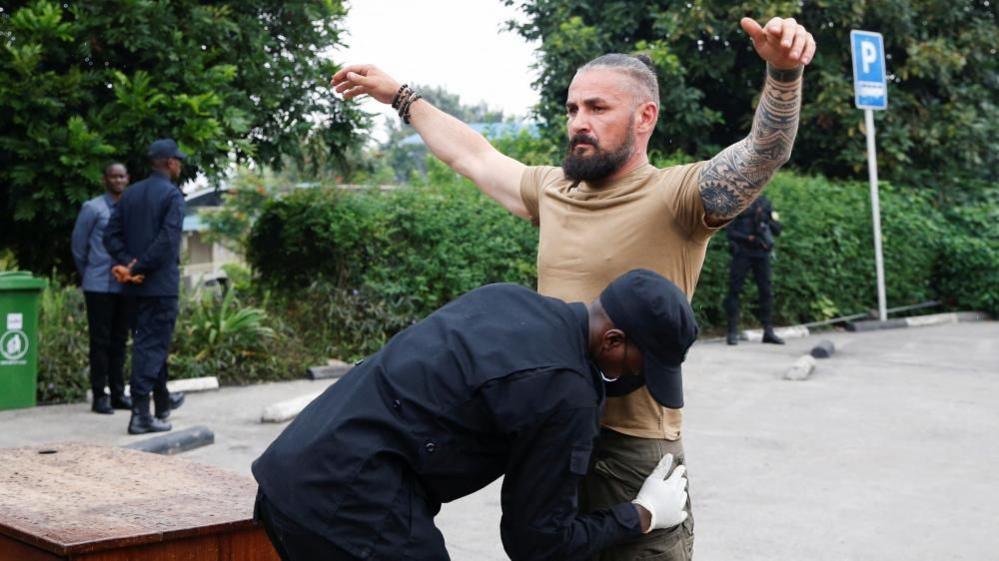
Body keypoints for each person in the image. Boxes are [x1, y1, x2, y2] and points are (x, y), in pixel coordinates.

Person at [332, 15, 814, 560]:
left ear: (644, 116)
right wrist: (402, 96)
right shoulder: (552, 189)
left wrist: (783, 75)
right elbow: (472, 155)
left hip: (632, 446)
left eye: (597, 108)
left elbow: (762, 154)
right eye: (572, 108)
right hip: (549, 437)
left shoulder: (677, 195)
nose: (578, 122)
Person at [253, 269, 699, 561]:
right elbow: (537, 543)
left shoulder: (506, 299)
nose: (636, 381)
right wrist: (640, 514)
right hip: (351, 504)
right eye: (640, 367)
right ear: (613, 341)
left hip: (289, 475)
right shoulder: (566, 394)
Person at [103, 138, 187, 434]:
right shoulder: (173, 196)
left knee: (151, 344)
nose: (179, 164)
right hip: (159, 286)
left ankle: (162, 403)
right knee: (149, 348)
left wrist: (128, 266)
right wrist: (136, 268)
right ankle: (140, 415)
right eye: (177, 160)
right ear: (169, 163)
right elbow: (167, 242)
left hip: (133, 288)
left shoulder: (130, 194)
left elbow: (110, 237)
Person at [71, 162, 134, 414]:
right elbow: (78, 246)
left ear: (128, 179)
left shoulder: (130, 207)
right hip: (98, 285)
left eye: (122, 176)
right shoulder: (92, 208)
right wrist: (88, 273)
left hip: (124, 286)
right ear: (104, 180)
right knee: (100, 342)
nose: (118, 181)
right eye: (113, 176)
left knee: (119, 341)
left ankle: (118, 393)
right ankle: (100, 396)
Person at [724, 195, 784, 345]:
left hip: (761, 253)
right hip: (742, 253)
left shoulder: (765, 203)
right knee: (734, 291)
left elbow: (777, 230)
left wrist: (766, 220)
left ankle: (768, 331)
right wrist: (748, 238)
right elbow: (729, 233)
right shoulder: (737, 202)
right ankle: (732, 332)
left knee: (766, 291)